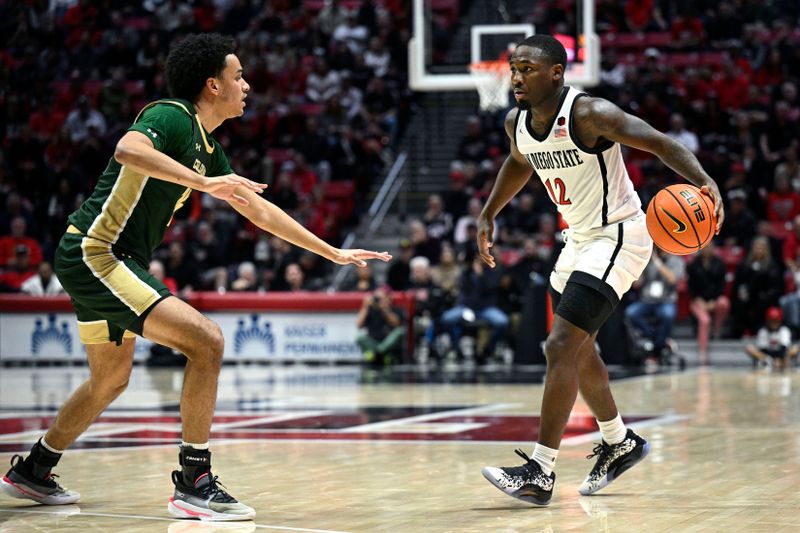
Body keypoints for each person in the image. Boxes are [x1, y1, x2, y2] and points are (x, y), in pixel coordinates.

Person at [0, 34, 390, 520]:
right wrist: (204, 184)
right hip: (97, 252)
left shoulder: (208, 147)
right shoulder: (170, 115)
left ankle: (34, 470)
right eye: (239, 76)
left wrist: (330, 251)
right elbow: (126, 148)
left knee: (110, 381)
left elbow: (260, 211)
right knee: (206, 341)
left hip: (111, 260)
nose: (246, 85)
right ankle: (194, 480)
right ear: (212, 84)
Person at [478, 35, 724, 505]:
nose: (515, 77)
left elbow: (658, 144)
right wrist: (490, 212)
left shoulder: (591, 114)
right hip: (579, 240)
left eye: (526, 69)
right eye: (513, 69)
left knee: (560, 344)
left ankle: (540, 470)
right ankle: (619, 442)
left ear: (555, 73)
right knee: (579, 348)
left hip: (620, 234)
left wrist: (704, 181)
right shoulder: (517, 123)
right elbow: (518, 162)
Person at [624, 247, 684, 361]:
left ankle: (657, 347)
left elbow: (672, 279)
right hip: (647, 301)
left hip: (666, 301)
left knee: (667, 315)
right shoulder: (648, 261)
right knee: (630, 313)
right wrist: (641, 268)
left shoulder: (676, 261)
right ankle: (656, 339)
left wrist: (657, 262)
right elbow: (637, 284)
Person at [686, 241, 731, 364]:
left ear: (714, 248)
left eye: (710, 246)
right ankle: (702, 352)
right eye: (705, 247)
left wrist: (714, 300)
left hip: (714, 300)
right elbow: (690, 286)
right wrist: (698, 299)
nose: (707, 249)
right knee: (705, 320)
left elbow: (721, 285)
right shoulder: (693, 264)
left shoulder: (720, 264)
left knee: (724, 303)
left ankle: (716, 331)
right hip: (698, 301)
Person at [355, 287, 405, 367]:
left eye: (381, 298)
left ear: (389, 298)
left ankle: (379, 352)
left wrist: (385, 309)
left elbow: (396, 324)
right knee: (359, 337)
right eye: (376, 298)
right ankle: (380, 352)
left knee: (400, 332)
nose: (378, 300)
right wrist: (365, 306)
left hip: (388, 344)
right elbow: (359, 325)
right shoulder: (370, 310)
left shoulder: (396, 309)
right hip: (373, 342)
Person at [745, 306, 799, 370]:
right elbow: (763, 349)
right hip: (767, 357)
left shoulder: (784, 330)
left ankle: (784, 364)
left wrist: (779, 359)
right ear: (767, 321)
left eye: (776, 321)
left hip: (782, 357)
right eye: (771, 321)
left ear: (780, 321)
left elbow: (784, 348)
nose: (774, 323)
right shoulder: (763, 331)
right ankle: (769, 362)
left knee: (795, 348)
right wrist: (770, 360)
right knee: (749, 348)